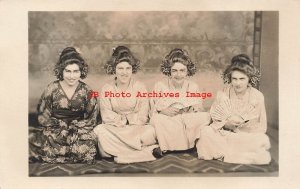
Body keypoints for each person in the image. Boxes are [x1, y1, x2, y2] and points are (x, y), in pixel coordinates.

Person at [196, 54, 271, 164]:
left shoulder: (257, 96)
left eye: (242, 79)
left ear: (249, 79)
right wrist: (226, 124)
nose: (238, 83)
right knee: (205, 132)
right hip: (226, 135)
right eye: (234, 79)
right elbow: (214, 116)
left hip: (245, 137)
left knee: (262, 139)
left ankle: (224, 154)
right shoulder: (224, 92)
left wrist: (244, 130)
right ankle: (239, 155)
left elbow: (262, 126)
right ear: (230, 78)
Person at [29, 47, 100, 163]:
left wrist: (77, 127)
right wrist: (57, 125)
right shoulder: (51, 88)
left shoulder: (87, 90)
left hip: (78, 130)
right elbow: (42, 113)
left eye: (75, 71)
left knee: (87, 144)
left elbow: (92, 117)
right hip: (55, 130)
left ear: (81, 71)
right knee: (34, 140)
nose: (72, 76)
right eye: (68, 71)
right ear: (61, 70)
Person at [93, 46, 158, 163]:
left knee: (151, 130)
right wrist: (123, 121)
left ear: (132, 69)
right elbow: (106, 116)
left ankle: (118, 153)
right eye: (120, 68)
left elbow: (143, 115)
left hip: (136, 127)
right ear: (114, 69)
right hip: (115, 128)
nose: (124, 72)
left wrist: (129, 121)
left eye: (128, 68)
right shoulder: (107, 88)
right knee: (100, 130)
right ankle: (140, 151)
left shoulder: (140, 87)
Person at [150, 48, 211, 157]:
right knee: (157, 119)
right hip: (168, 120)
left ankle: (187, 145)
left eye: (182, 70)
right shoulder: (160, 85)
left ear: (187, 71)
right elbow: (152, 110)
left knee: (206, 117)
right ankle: (167, 148)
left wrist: (194, 109)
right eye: (175, 70)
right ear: (169, 70)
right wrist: (163, 110)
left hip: (186, 120)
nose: (178, 75)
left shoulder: (193, 86)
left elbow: (200, 109)